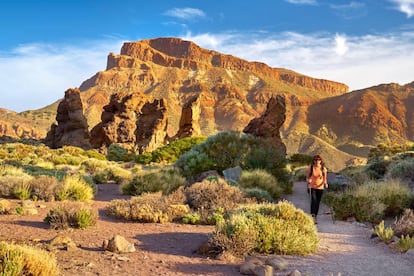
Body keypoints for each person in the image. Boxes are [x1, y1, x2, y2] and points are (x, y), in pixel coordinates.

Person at [306, 154, 328, 224]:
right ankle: (313, 216)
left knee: (318, 202)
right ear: (313, 161)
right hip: (312, 187)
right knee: (313, 201)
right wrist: (308, 181)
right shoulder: (311, 168)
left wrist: (325, 184)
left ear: (321, 161)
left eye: (318, 160)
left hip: (320, 188)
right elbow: (307, 177)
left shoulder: (323, 169)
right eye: (315, 160)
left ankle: (315, 216)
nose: (317, 161)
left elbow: (325, 178)